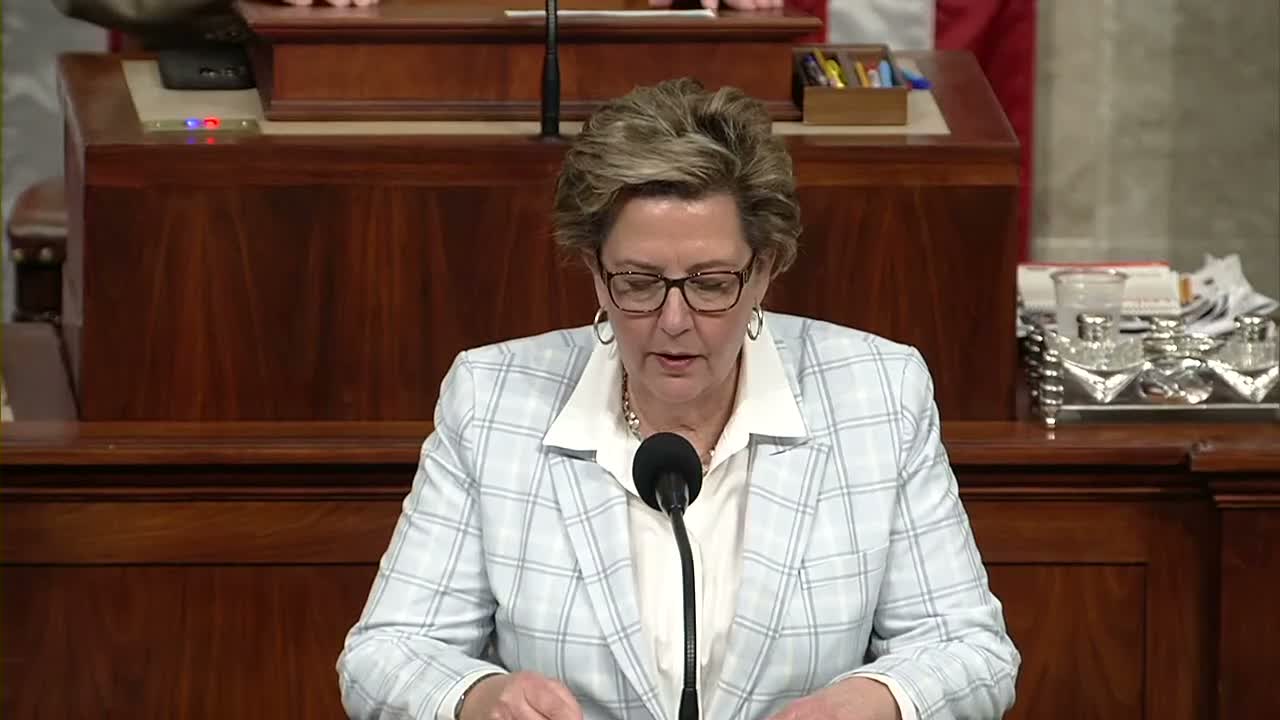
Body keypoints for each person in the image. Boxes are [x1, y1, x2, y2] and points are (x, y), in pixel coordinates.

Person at [337, 77, 1019, 720]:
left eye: (711, 283)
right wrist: (481, 697)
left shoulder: (877, 392)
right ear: (595, 272)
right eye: (638, 282)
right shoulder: (492, 399)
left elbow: (970, 651)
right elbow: (384, 654)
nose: (672, 320)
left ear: (764, 270)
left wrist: (873, 700)